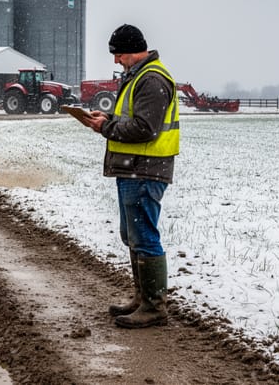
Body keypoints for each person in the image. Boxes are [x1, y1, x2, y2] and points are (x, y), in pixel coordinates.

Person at [82, 24, 179, 329]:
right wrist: (108, 119)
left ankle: (154, 307)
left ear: (134, 50)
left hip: (145, 169)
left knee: (145, 236)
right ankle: (142, 299)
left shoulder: (151, 80)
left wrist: (105, 129)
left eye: (119, 54)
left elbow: (144, 128)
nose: (116, 61)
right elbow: (133, 119)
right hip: (134, 167)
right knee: (133, 236)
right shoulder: (139, 76)